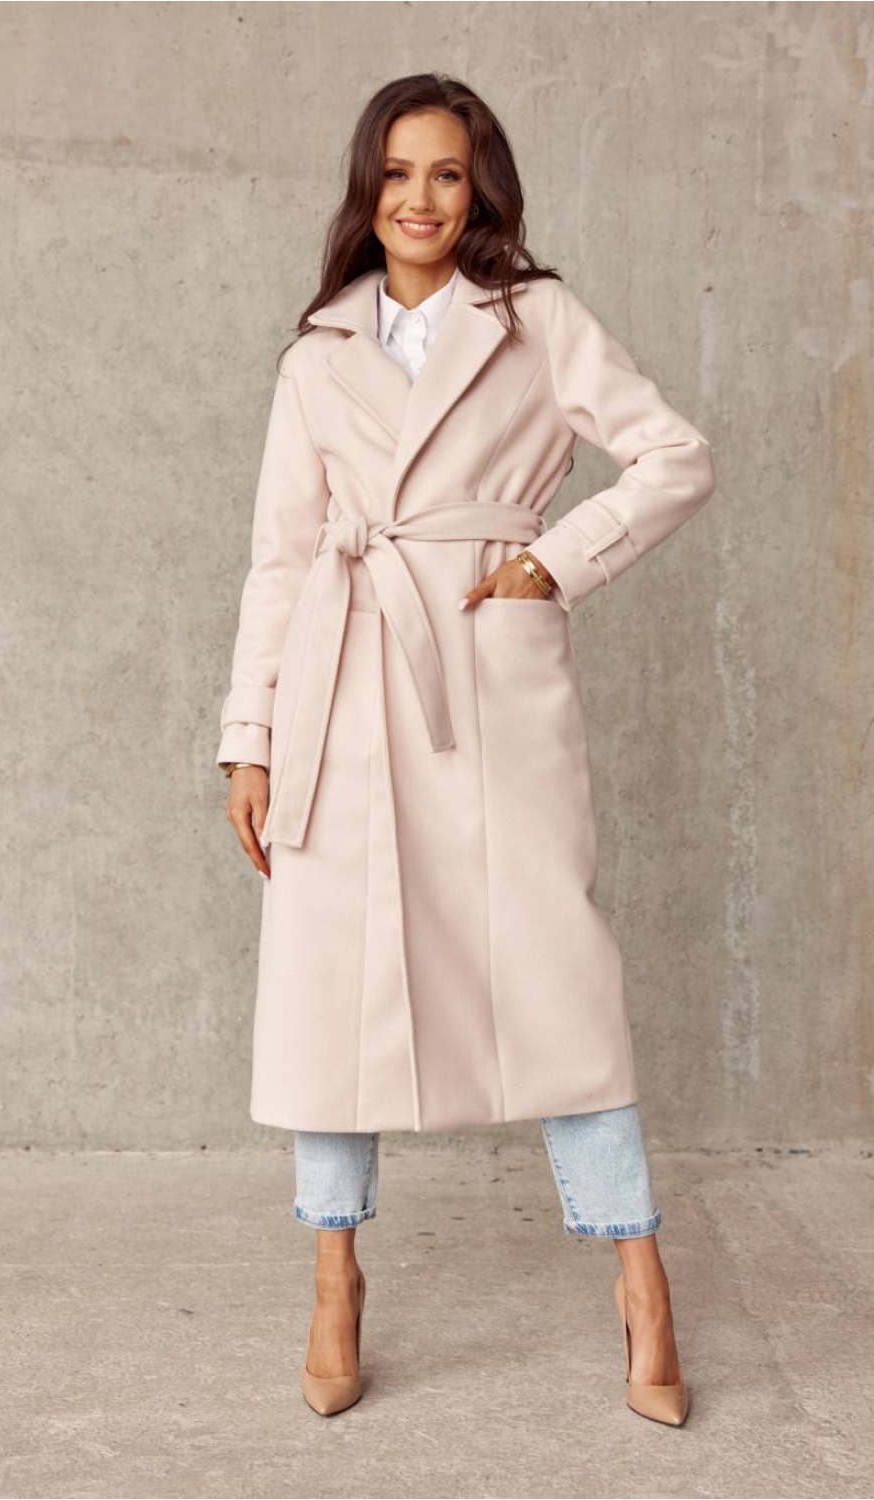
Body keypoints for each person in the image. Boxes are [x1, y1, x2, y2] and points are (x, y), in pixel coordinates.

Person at [217, 73, 715, 1427]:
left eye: (446, 172)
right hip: (339, 682)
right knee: (332, 983)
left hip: (487, 678)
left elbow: (672, 456)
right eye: (396, 173)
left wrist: (554, 563)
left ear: (479, 185)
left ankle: (641, 1279)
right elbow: (280, 558)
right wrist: (250, 739)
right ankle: (335, 1278)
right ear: (365, 189)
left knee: (557, 969)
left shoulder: (535, 319)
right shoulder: (318, 353)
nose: (420, 199)